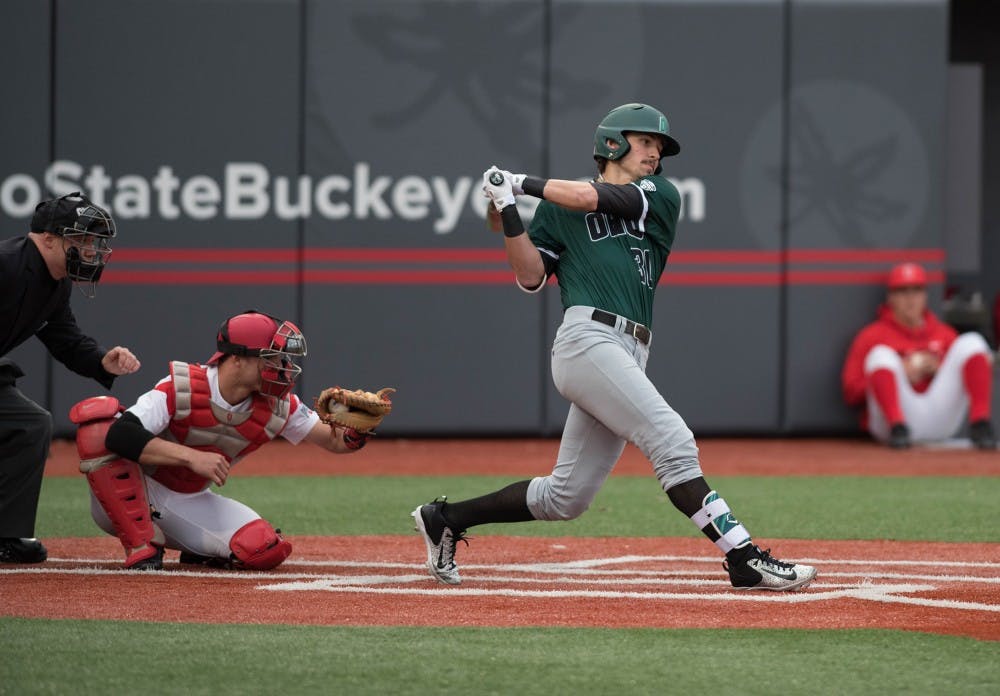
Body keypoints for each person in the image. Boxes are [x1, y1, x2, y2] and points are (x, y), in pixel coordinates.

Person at [411, 103, 817, 591]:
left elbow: (589, 197)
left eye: (658, 146)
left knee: (566, 498)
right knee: (672, 440)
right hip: (587, 340)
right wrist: (509, 211)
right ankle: (743, 558)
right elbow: (531, 276)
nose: (655, 153)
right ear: (613, 143)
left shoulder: (660, 193)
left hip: (631, 349)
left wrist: (519, 183)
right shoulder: (560, 212)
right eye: (645, 141)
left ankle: (445, 518)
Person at [70, 310, 376, 571]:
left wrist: (357, 428)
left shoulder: (278, 404)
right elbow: (120, 435)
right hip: (130, 492)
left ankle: (195, 546)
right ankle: (141, 545)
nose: (281, 368)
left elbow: (335, 442)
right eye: (271, 358)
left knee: (263, 548)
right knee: (97, 428)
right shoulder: (184, 386)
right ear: (237, 359)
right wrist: (191, 457)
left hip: (186, 498)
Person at [0, 192, 140, 565]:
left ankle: (6, 534)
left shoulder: (55, 282)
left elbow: (65, 339)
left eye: (95, 242)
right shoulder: (7, 263)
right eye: (82, 240)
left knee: (31, 424)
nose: (92, 250)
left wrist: (101, 361)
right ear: (47, 238)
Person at [841, 262, 996, 450]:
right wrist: (900, 374)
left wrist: (938, 370)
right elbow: (851, 393)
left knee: (972, 341)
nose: (910, 298)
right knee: (880, 355)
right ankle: (897, 428)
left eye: (916, 290)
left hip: (939, 418)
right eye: (903, 291)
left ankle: (981, 424)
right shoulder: (872, 336)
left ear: (925, 295)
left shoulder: (943, 333)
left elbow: (969, 368)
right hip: (894, 421)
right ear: (891, 297)